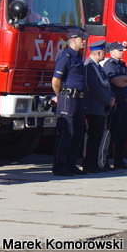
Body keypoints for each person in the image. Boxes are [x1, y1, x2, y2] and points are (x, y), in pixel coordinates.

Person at [51, 28, 88, 176]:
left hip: (78, 98)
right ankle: (59, 165)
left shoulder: (78, 57)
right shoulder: (66, 56)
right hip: (68, 98)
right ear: (73, 40)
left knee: (78, 132)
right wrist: (60, 95)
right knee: (66, 132)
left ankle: (70, 164)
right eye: (82, 39)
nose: (84, 41)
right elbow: (56, 80)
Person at [103, 41, 127, 170]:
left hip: (125, 102)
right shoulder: (109, 65)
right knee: (112, 131)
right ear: (112, 52)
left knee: (123, 132)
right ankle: (105, 160)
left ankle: (119, 161)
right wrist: (124, 79)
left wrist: (123, 78)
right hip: (115, 102)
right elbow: (118, 83)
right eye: (119, 50)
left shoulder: (122, 64)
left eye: (122, 50)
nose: (122, 52)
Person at [83, 40, 114, 173]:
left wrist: (111, 97)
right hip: (93, 107)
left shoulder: (98, 67)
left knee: (97, 137)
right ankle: (89, 164)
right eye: (104, 52)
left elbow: (105, 85)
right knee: (92, 137)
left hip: (101, 107)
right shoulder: (89, 66)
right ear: (99, 52)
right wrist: (108, 100)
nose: (105, 54)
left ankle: (94, 163)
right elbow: (93, 87)